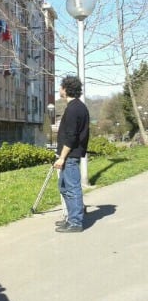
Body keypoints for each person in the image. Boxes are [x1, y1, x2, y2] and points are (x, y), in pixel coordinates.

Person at [53, 75, 90, 233]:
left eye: (61, 86)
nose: (59, 89)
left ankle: (75, 222)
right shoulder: (75, 106)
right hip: (68, 155)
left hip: (70, 156)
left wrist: (62, 157)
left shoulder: (75, 108)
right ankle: (71, 218)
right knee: (64, 187)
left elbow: (71, 136)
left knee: (72, 188)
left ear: (66, 89)